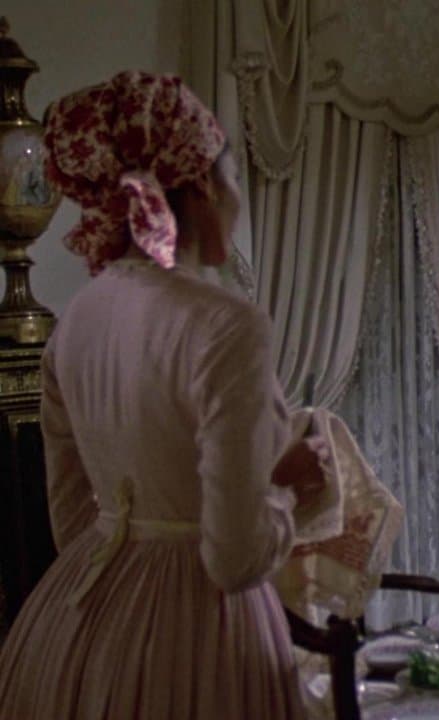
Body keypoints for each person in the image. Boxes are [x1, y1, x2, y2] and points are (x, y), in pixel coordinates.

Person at [0, 71, 324, 718]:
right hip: (199, 633)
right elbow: (235, 560)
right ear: (202, 184)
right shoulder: (227, 324)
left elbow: (71, 522)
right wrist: (286, 483)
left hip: (77, 622)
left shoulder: (76, 320)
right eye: (234, 178)